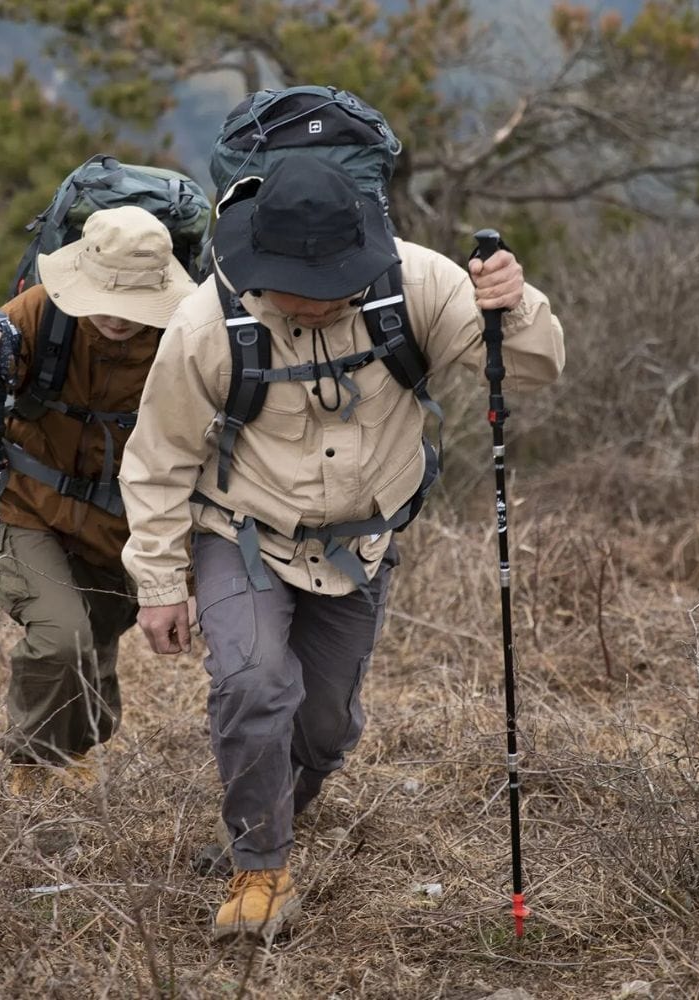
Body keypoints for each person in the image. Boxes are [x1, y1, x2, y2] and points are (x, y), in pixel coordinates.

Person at [117, 156, 565, 940]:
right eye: (300, 286)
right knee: (253, 683)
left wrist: (513, 304)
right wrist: (158, 582)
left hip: (358, 546)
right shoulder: (206, 321)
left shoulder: (414, 284)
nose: (320, 302)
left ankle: (279, 801)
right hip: (240, 532)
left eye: (336, 286)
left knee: (323, 727)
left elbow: (529, 369)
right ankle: (260, 868)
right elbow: (157, 461)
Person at [0, 205, 195, 794]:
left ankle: (74, 747)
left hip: (122, 524)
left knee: (92, 642)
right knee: (62, 636)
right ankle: (33, 767)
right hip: (29, 503)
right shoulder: (36, 314)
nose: (117, 319)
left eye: (133, 306)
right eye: (105, 300)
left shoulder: (188, 330)